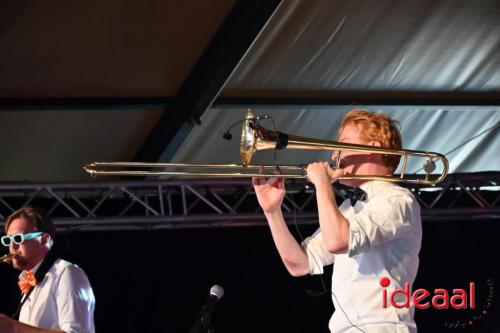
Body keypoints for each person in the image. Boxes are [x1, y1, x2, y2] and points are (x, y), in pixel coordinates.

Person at [253, 109, 422, 333]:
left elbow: (337, 241)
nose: (334, 155)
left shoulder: (397, 200)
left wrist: (323, 183)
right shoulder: (348, 208)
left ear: (372, 148)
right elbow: (299, 264)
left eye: (344, 143)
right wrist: (272, 212)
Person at [0, 207, 95, 333]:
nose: (12, 247)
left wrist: (14, 327)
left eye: (18, 238)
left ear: (44, 239)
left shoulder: (67, 273)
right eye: (8, 240)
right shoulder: (28, 280)